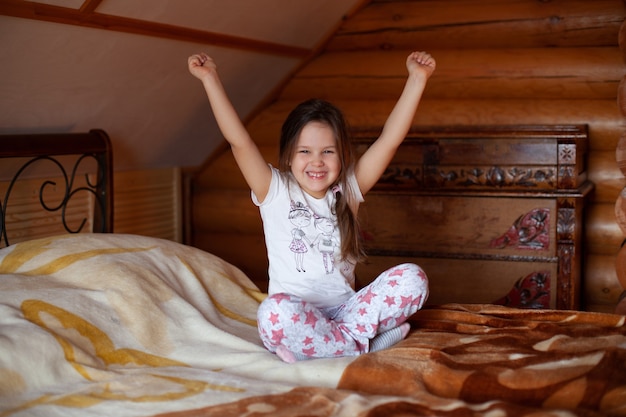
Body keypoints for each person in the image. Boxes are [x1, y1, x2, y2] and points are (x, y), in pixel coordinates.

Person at [188, 50, 435, 363]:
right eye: (305, 151)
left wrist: (417, 79)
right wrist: (210, 79)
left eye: (328, 151)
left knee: (414, 279)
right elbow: (239, 142)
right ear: (289, 156)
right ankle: (361, 345)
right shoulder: (274, 189)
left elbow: (389, 141)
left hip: (347, 311)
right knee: (273, 313)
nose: (316, 161)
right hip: (295, 314)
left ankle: (329, 345)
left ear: (341, 156)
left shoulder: (347, 189)